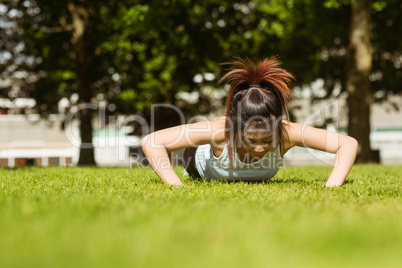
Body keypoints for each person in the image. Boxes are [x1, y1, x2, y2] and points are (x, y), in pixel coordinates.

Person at [141, 57, 358, 187]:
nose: (260, 147)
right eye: (252, 140)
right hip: (198, 160)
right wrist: (175, 186)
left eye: (267, 139)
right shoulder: (221, 132)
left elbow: (348, 143)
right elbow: (152, 142)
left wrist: (332, 186)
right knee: (206, 132)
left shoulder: (286, 133)